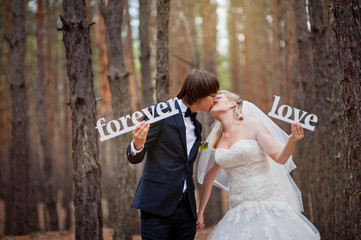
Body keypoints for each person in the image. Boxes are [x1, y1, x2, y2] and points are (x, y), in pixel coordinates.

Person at [196, 90, 320, 239]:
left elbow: (280, 158)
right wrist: (200, 212)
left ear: (232, 104)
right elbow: (208, 179)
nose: (214, 99)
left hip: (268, 202)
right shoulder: (216, 140)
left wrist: (292, 140)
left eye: (219, 96)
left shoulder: (252, 125)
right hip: (238, 210)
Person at [126, 69, 220, 240]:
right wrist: (137, 144)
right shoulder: (160, 113)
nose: (216, 100)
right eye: (213, 95)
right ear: (199, 93)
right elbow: (133, 157)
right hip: (156, 206)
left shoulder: (197, 126)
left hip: (186, 211)